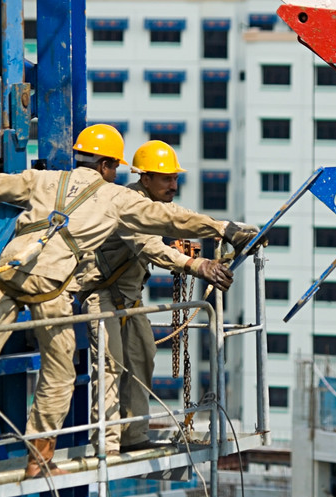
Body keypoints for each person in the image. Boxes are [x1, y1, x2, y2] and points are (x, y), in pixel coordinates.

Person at [0, 124, 259, 478]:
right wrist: (222, 229)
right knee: (59, 373)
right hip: (51, 287)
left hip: (7, 273)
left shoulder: (46, 180)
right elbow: (170, 222)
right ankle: (40, 458)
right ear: (108, 165)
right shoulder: (116, 198)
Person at [80, 140, 231, 454]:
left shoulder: (155, 205)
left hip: (131, 301)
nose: (173, 185)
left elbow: (179, 216)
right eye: (166, 179)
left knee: (141, 362)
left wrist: (229, 229)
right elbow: (148, 245)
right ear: (145, 179)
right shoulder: (126, 203)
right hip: (103, 297)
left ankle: (133, 437)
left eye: (175, 179)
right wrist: (195, 265)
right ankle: (106, 446)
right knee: (111, 367)